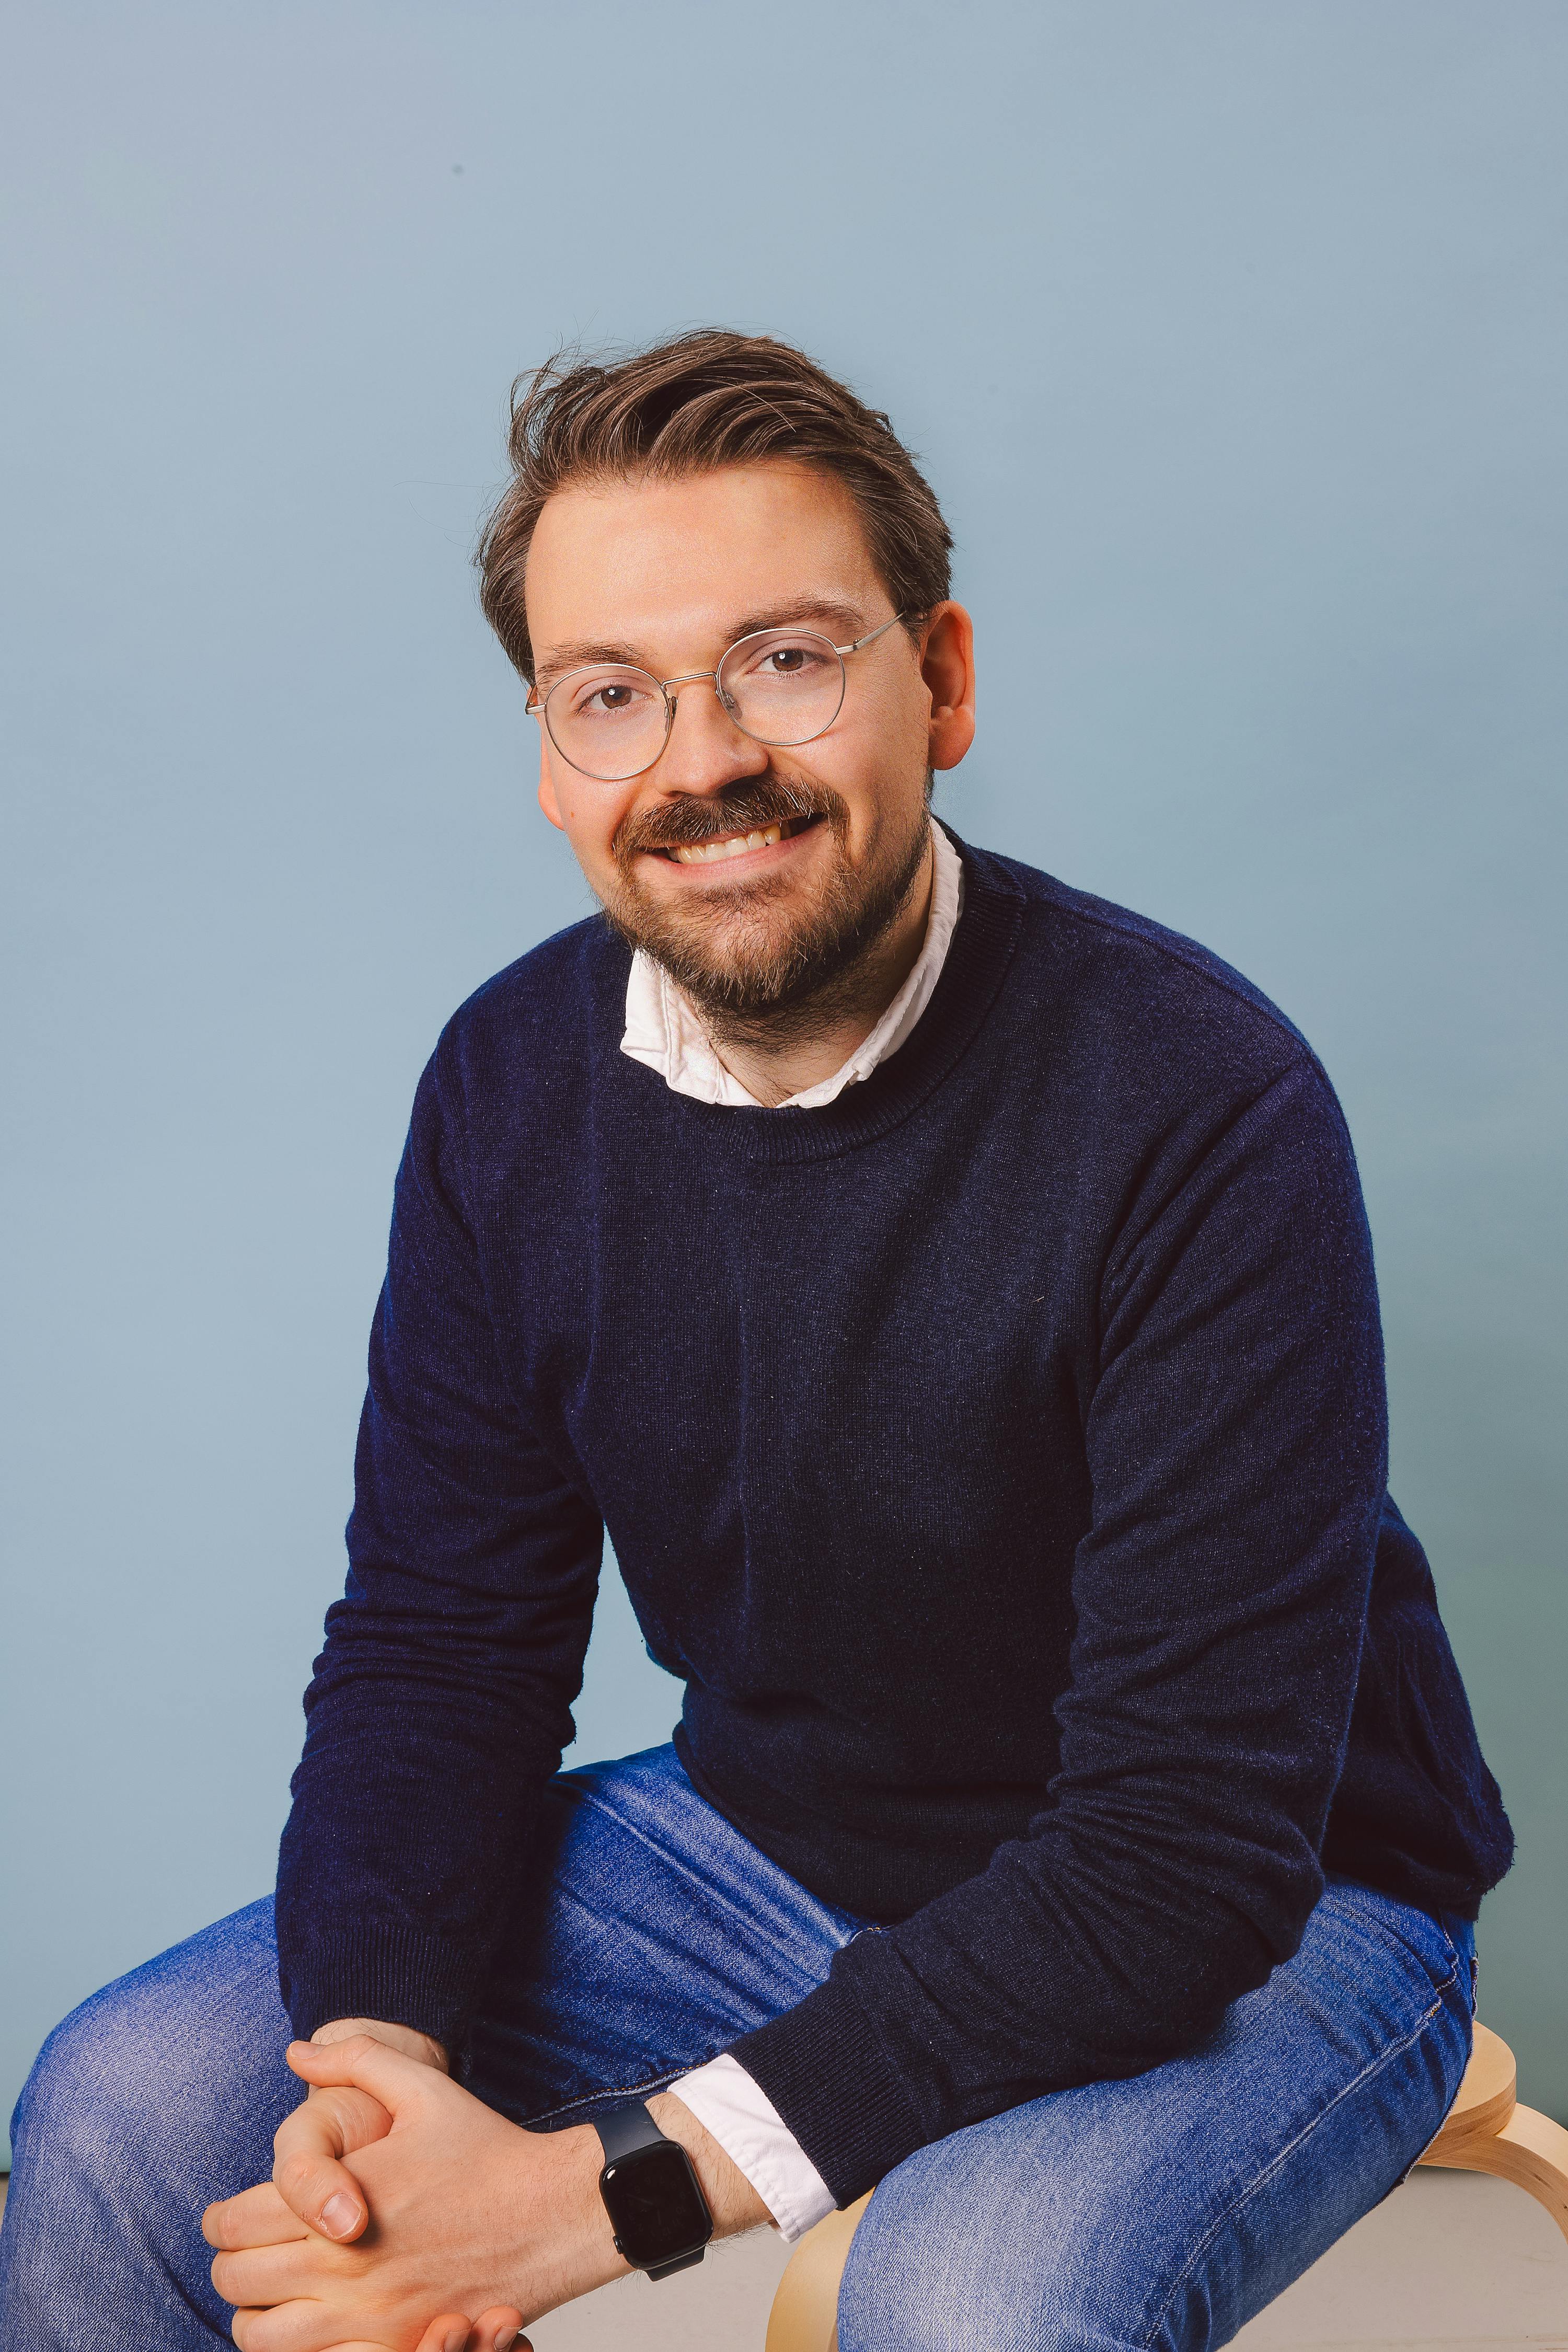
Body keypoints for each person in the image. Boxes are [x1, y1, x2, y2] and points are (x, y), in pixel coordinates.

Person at [0, 330, 1512, 2352]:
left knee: (967, 2307)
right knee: (122, 2119)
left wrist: (584, 2198)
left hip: (1275, 1912)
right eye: (611, 696)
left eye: (785, 660)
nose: (701, 757)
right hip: (764, 1841)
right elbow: (444, 1638)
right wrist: (382, 2075)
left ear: (942, 682)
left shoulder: (1198, 1097)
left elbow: (1174, 1858)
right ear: (549, 760)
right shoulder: (508, 1082)